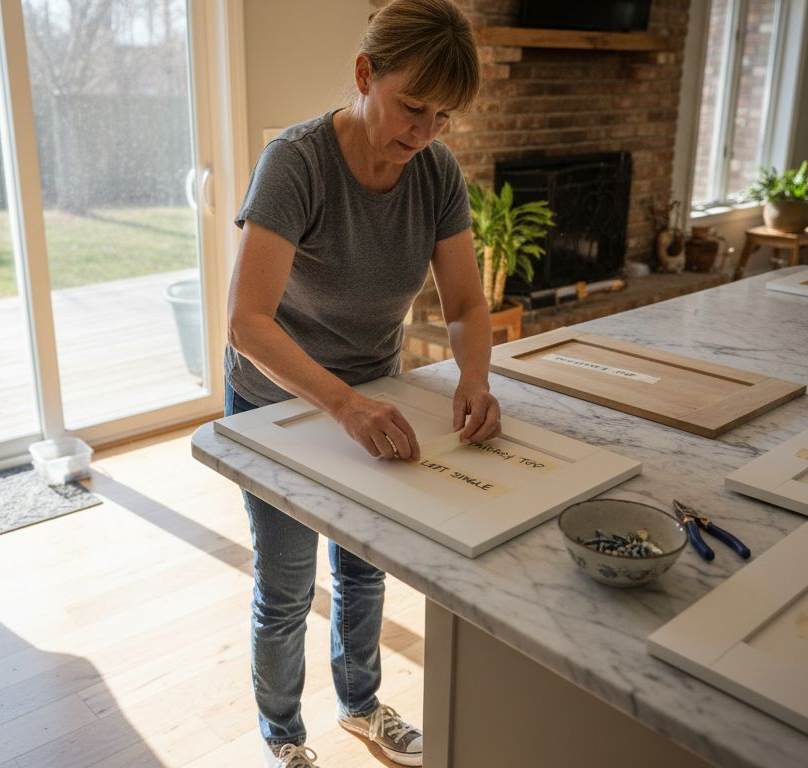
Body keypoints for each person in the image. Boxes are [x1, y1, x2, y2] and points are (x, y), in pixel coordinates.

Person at [225, 1, 499, 766]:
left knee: (363, 568)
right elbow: (247, 322)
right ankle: (283, 736)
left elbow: (469, 304)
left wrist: (474, 375)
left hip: (371, 394)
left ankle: (360, 705)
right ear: (363, 75)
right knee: (285, 585)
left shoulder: (436, 171)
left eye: (443, 116)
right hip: (278, 397)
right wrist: (340, 402)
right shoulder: (297, 162)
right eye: (413, 106)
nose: (425, 132)